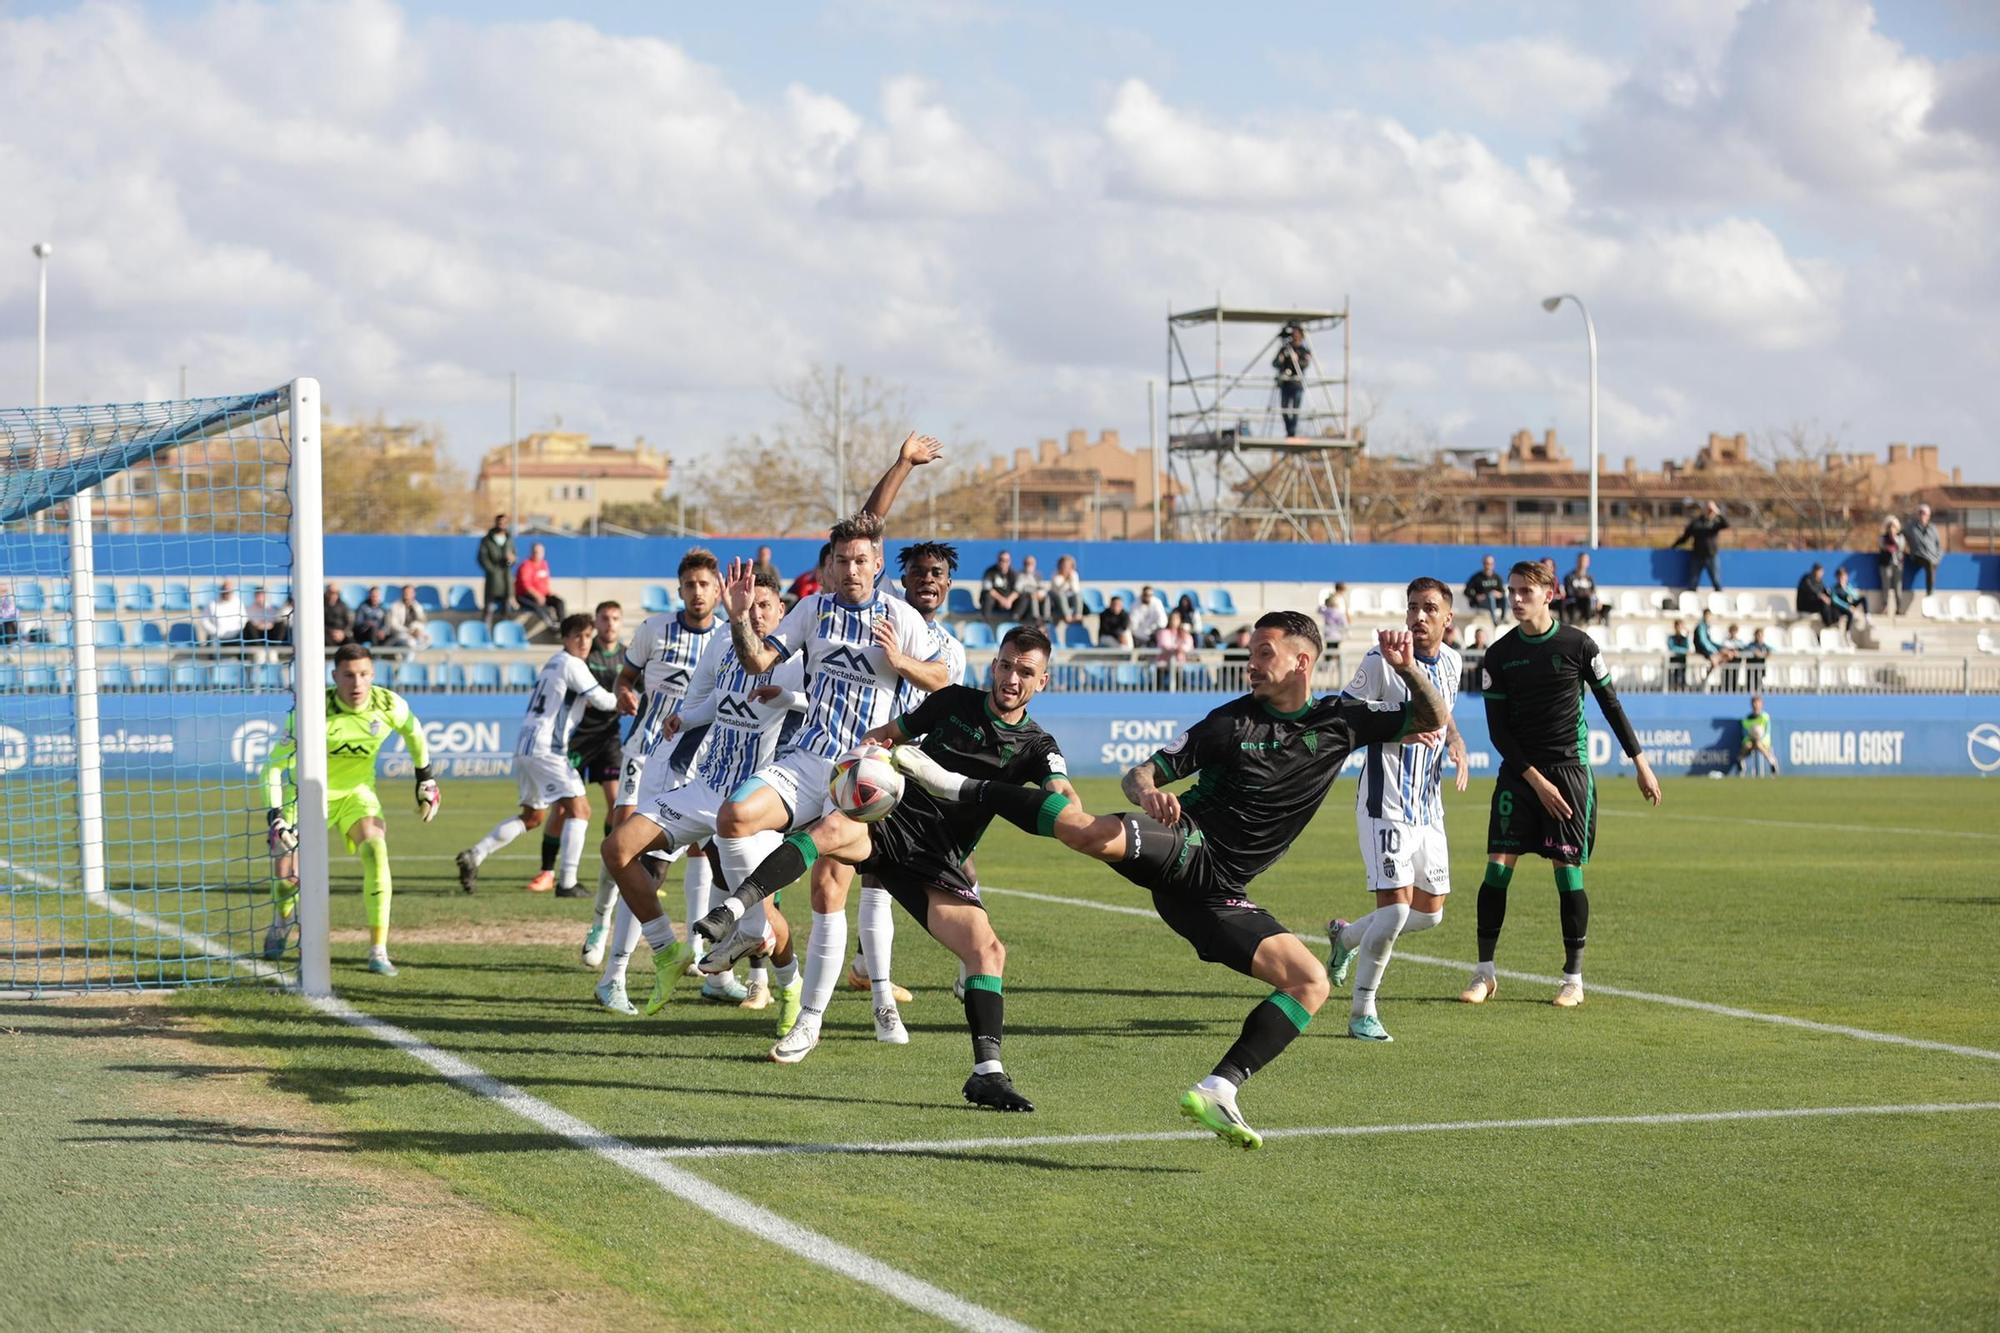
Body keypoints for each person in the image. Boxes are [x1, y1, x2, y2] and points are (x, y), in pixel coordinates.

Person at [890, 613, 1445, 1149]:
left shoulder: (1342, 719)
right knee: (1086, 832)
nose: (1249, 662)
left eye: (1263, 653)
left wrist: (1408, 668)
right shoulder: (1230, 722)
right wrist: (1147, 791)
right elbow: (1142, 773)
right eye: (1250, 651)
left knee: (1310, 983)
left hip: (1218, 893)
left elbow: (1431, 718)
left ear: (1303, 661)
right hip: (1184, 843)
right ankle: (957, 785)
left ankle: (1218, 1088)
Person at [694, 627, 1070, 1107]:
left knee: (987, 951)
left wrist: (1058, 798)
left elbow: (1063, 795)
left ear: (1043, 681)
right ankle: (736, 907)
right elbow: (886, 736)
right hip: (888, 823)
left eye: (1025, 671)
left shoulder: (1038, 745)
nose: (1011, 678)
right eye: (1005, 665)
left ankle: (987, 1074)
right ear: (993, 665)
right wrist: (867, 760)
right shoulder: (953, 701)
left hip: (936, 859)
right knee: (829, 830)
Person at [701, 513, 951, 1061]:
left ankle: (809, 1021)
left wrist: (901, 661)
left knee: (826, 893)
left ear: (878, 563)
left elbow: (943, 682)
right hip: (810, 757)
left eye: (862, 560)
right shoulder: (813, 609)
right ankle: (753, 923)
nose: (852, 569)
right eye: (842, 560)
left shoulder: (902, 617)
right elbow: (759, 662)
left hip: (862, 772)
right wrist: (742, 619)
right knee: (732, 818)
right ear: (831, 566)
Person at [598, 569, 809, 1024]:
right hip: (704, 787)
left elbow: (822, 708)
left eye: (765, 606)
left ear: (782, 612)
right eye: (748, 605)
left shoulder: (797, 658)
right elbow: (714, 702)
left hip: (757, 802)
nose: (755, 614)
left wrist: (788, 696)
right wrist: (684, 718)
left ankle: (791, 987)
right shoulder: (721, 644)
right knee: (617, 848)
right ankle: (667, 951)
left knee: (762, 915)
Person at [1462, 561, 1661, 1010]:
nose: (1515, 599)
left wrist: (1640, 763)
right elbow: (1498, 734)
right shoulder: (1499, 654)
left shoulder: (1579, 645)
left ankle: (1573, 979)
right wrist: (1533, 779)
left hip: (1569, 773)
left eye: (1525, 592)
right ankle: (1484, 973)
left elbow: (1611, 704)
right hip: (1519, 774)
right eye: (1512, 591)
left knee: (1566, 874)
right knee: (1496, 870)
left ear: (1549, 594)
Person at [579, 550, 727, 1008]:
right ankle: (612, 959)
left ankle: (709, 968)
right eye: (690, 585)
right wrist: (625, 693)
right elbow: (627, 677)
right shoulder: (654, 629)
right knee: (632, 856)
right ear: (679, 589)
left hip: (702, 765)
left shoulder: (727, 638)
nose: (697, 592)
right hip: (647, 756)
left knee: (706, 853)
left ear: (718, 589)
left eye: (705, 584)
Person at [1325, 578, 1469, 1042]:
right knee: (1394, 912)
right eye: (1413, 608)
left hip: (1428, 807)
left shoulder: (1452, 661)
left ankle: (1345, 938)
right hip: (1384, 803)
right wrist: (1394, 731)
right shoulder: (1379, 661)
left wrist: (1457, 741)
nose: (1419, 617)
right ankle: (1361, 1011)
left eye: (1430, 609)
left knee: (1429, 913)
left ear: (1448, 619)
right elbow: (1342, 717)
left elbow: (1442, 711)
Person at [839, 539, 968, 1020]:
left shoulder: (951, 648)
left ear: (948, 583)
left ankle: (868, 966)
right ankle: (869, 988)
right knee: (860, 873)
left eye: (936, 573)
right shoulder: (883, 615)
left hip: (917, 767)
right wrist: (904, 464)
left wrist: (901, 661)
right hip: (865, 760)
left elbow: (945, 697)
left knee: (953, 868)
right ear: (901, 579)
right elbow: (866, 530)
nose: (927, 580)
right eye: (918, 572)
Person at [260, 643, 440, 975]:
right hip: (304, 794)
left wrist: (425, 780)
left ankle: (378, 950)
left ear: (373, 674)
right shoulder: (311, 710)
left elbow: (415, 733)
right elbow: (271, 767)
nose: (356, 684)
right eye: (348, 676)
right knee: (289, 877)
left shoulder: (388, 704)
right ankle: (281, 920)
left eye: (363, 675)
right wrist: (277, 816)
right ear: (334, 677)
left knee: (376, 849)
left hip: (358, 793)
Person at [458, 615, 617, 899]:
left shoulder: (554, 662)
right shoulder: (572, 664)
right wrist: (635, 701)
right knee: (581, 810)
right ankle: (567, 882)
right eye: (577, 636)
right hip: (547, 748)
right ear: (565, 639)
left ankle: (475, 854)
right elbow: (603, 700)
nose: (583, 642)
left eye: (587, 636)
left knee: (532, 817)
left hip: (525, 745)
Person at [564, 599, 626, 913]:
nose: (610, 623)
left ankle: (612, 864)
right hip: (580, 737)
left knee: (616, 805)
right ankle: (548, 871)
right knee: (563, 808)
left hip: (610, 738)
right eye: (604, 618)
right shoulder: (585, 654)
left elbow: (636, 689)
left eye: (615, 618)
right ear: (597, 622)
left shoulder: (627, 656)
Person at [1672, 500, 1729, 592]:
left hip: (1711, 555)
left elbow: (1726, 524)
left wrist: (1717, 512)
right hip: (1697, 555)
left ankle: (1720, 600)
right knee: (1693, 580)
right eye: (1707, 509)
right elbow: (1685, 537)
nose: (1709, 511)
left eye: (1711, 510)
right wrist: (1674, 546)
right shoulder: (1696, 522)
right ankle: (1691, 599)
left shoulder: (1715, 522)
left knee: (1716, 580)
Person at [514, 542, 564, 633]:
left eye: (540, 552)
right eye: (536, 552)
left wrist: (548, 592)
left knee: (559, 602)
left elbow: (544, 581)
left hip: (542, 595)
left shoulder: (544, 564)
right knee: (540, 606)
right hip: (525, 596)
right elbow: (526, 585)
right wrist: (537, 596)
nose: (538, 554)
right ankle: (552, 626)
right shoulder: (526, 565)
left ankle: (562, 625)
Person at [1273, 323, 1310, 436]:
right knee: (1284, 409)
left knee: (1295, 410)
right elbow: (1275, 363)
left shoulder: (1304, 351)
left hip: (1297, 384)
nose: (1294, 336)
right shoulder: (1285, 349)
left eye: (1296, 333)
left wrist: (1297, 360)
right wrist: (1281, 359)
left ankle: (1292, 432)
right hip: (1285, 383)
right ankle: (1289, 431)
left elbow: (1305, 364)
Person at [478, 514, 514, 628]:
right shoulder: (487, 540)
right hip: (493, 581)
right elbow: (482, 558)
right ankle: (485, 632)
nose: (501, 525)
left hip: (506, 580)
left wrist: (512, 559)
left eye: (504, 523)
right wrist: (493, 571)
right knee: (489, 609)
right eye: (499, 522)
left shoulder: (509, 539)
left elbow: (513, 555)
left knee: (506, 610)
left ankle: (504, 634)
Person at [1729, 696, 1780, 777]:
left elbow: (1767, 731)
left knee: (1758, 744)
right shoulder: (1746, 719)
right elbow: (1745, 734)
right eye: (1754, 703)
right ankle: (1740, 764)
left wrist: (1760, 737)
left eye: (1758, 703)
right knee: (1747, 745)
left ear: (1761, 705)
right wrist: (1751, 736)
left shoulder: (1765, 717)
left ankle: (1772, 763)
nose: (1756, 706)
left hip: (1763, 741)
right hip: (1751, 739)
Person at [1904, 502, 1943, 602]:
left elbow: (1939, 546)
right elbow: (1900, 534)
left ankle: (1930, 594)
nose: (1922, 515)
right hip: (1919, 556)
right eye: (1920, 513)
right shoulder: (1911, 527)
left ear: (1928, 515)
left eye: (1924, 513)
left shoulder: (1933, 528)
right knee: (1929, 563)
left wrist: (1938, 557)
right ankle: (1929, 593)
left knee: (1931, 564)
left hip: (1932, 557)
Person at [199, 578, 246, 645]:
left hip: (236, 635)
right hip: (217, 637)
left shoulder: (238, 602)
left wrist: (236, 631)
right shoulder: (212, 603)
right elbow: (204, 620)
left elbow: (244, 619)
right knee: (212, 643)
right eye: (225, 591)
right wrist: (215, 631)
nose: (227, 593)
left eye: (229, 591)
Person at [979, 550, 1022, 624]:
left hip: (1008, 602)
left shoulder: (1014, 573)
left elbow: (1018, 590)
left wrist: (1009, 600)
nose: (1004, 563)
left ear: (1010, 561)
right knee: (987, 596)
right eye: (1001, 560)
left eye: (1006, 560)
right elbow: (988, 588)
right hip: (995, 601)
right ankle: (985, 623)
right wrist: (1002, 600)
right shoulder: (990, 572)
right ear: (998, 560)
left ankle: (1014, 620)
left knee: (1024, 596)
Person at [1563, 552, 1603, 626]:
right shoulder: (1569, 577)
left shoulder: (1590, 578)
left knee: (1606, 607)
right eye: (1581, 560)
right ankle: (1587, 621)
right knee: (1587, 600)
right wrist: (1584, 594)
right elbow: (1569, 592)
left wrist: (1597, 601)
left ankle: (1602, 626)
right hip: (1575, 602)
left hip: (1589, 602)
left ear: (1588, 563)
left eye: (1585, 561)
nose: (1583, 563)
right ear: (1577, 561)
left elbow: (1593, 592)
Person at [1877, 516, 1905, 618]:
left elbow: (1900, 547)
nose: (1891, 529)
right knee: (1886, 586)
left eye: (1893, 527)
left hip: (1898, 565)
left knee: (1898, 586)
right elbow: (1882, 546)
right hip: (1886, 564)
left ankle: (1899, 607)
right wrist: (1889, 540)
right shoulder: (1882, 538)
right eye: (1889, 527)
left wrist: (1894, 538)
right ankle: (1885, 606)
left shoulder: (1901, 537)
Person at [385, 584, 429, 651]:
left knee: (427, 638)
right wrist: (409, 631)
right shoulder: (395, 606)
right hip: (400, 633)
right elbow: (393, 625)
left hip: (414, 631)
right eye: (406, 592)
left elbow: (422, 621)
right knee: (411, 642)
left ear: (414, 594)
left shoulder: (417, 606)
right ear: (402, 593)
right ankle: (408, 660)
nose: (407, 594)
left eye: (410, 592)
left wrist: (418, 630)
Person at [1464, 555, 1505, 626]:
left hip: (1496, 602)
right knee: (1490, 597)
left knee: (1505, 599)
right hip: (1482, 603)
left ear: (1493, 565)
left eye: (1491, 564)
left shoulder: (1497, 577)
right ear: (1483, 564)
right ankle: (1495, 621)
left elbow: (1502, 592)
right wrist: (1476, 596)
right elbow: (1466, 591)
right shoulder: (1477, 577)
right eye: (1486, 563)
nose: (1488, 566)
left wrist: (1498, 594)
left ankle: (1503, 619)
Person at [1154, 609, 1193, 680]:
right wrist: (1176, 648)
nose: (1174, 621)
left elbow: (1188, 644)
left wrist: (1182, 648)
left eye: (1176, 619)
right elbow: (1164, 644)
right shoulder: (1163, 632)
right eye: (1172, 618)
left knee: (1179, 683)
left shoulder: (1183, 634)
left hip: (1178, 664)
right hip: (1163, 663)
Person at [1796, 563, 1839, 628]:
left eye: (1822, 572)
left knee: (1832, 602)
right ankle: (1828, 624)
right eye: (1820, 572)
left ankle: (1835, 621)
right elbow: (1810, 589)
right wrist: (1821, 596)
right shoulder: (1806, 578)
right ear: (1815, 571)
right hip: (1805, 605)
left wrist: (1831, 597)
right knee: (1823, 603)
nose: (1822, 574)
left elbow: (1825, 591)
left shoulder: (1820, 581)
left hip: (1814, 604)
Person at [1830, 568, 1867, 638]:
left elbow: (1855, 596)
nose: (1843, 578)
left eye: (1844, 576)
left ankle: (1867, 617)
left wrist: (1846, 589)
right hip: (1842, 608)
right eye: (1841, 576)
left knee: (1863, 599)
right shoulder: (1835, 588)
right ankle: (1847, 633)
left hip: (1850, 604)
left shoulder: (1848, 586)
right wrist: (1848, 607)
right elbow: (1836, 601)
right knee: (1849, 613)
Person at [1048, 554, 1085, 625]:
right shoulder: (1055, 575)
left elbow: (1076, 590)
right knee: (1061, 595)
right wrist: (1066, 580)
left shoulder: (1074, 574)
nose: (1066, 567)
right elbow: (1059, 590)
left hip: (1070, 598)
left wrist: (1071, 580)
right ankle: (1067, 616)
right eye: (1064, 565)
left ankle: (1078, 615)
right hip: (1057, 600)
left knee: (1078, 595)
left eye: (1068, 565)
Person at [1014, 554, 1049, 623]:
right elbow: (1018, 588)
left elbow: (1041, 586)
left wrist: (1040, 593)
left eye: (1031, 563)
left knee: (1046, 596)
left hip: (1038, 596)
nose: (1029, 565)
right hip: (1026, 598)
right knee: (1033, 596)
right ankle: (1035, 616)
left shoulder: (1038, 574)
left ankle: (1047, 616)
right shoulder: (1020, 574)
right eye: (1027, 563)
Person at [1666, 619, 1691, 691]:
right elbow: (1672, 648)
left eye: (1681, 626)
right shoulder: (1671, 638)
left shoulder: (1684, 638)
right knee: (1673, 678)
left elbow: (1687, 647)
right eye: (1679, 626)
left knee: (1682, 678)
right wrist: (1683, 651)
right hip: (1673, 661)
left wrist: (1687, 637)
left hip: (1682, 660)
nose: (1680, 628)